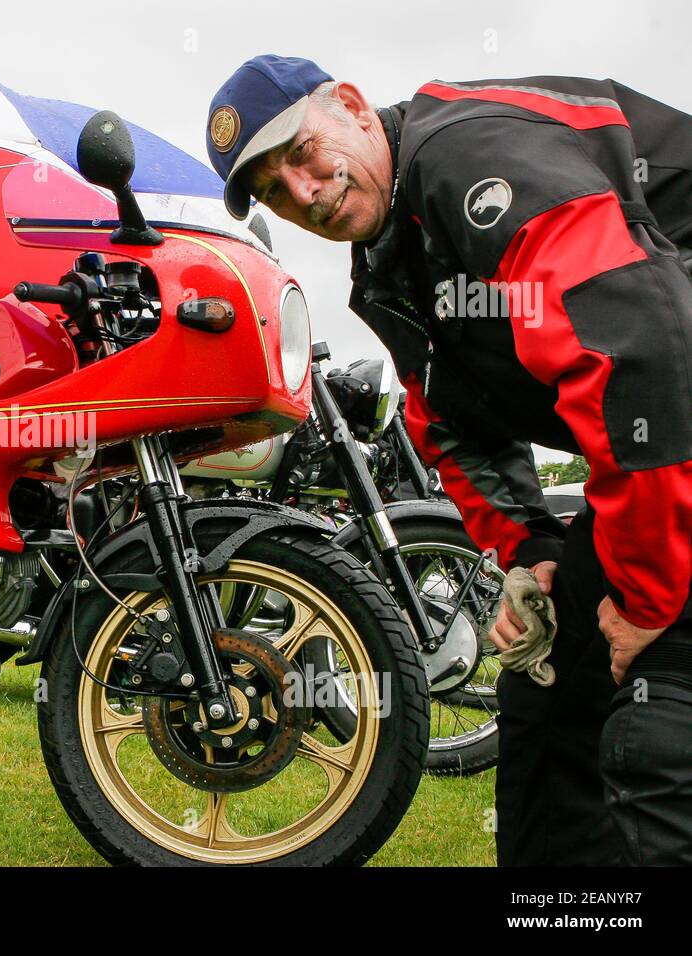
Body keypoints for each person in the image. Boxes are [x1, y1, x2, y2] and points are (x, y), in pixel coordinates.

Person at [204, 55, 692, 865]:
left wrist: (647, 594)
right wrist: (531, 551)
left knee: (661, 724)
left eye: (301, 153)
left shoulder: (469, 159)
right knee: (546, 699)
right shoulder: (394, 264)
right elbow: (450, 425)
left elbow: (640, 349)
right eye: (271, 189)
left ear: (355, 107)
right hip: (663, 457)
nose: (304, 190)